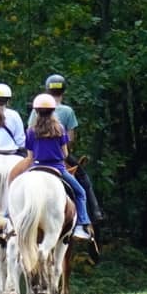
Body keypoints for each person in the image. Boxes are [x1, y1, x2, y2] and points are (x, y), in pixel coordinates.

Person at [8, 93, 92, 241]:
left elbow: (30, 156)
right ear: (53, 111)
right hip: (57, 169)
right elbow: (65, 154)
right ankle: (81, 225)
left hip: (36, 167)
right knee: (80, 192)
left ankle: (8, 221)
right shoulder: (59, 129)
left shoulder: (31, 131)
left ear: (36, 111)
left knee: (13, 190)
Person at [45, 72, 104, 228]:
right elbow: (70, 138)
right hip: (59, 156)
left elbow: (29, 133)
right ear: (63, 91)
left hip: (37, 157)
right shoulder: (67, 111)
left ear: (47, 91)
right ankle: (92, 213)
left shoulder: (36, 111)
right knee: (83, 179)